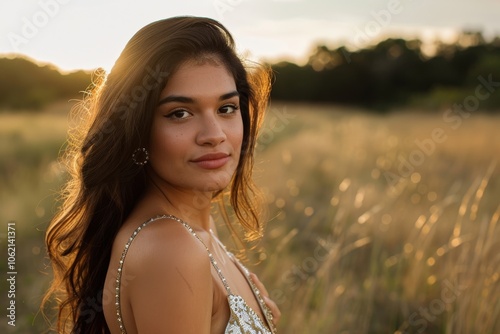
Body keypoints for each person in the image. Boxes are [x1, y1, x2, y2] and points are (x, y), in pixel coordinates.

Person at [43, 16, 281, 333]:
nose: (214, 135)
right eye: (179, 113)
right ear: (137, 130)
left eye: (226, 108)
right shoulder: (172, 250)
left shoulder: (195, 228)